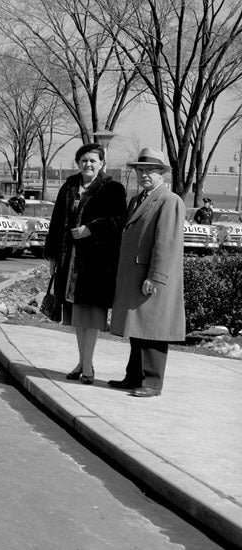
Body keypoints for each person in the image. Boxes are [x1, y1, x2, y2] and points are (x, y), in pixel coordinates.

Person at [44, 143, 126, 385]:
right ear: (77, 162)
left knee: (90, 317)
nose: (88, 164)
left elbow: (119, 221)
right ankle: (82, 362)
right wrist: (53, 257)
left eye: (93, 160)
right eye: (84, 160)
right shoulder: (69, 185)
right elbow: (56, 222)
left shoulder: (112, 188)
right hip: (70, 263)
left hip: (96, 266)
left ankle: (88, 365)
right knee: (78, 319)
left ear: (102, 163)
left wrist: (92, 229)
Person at [109, 148, 185, 398]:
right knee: (137, 328)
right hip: (135, 275)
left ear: (162, 173)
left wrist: (156, 276)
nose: (144, 174)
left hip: (151, 277)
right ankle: (134, 376)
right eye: (140, 170)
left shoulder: (169, 200)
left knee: (152, 330)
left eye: (150, 170)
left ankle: (152, 382)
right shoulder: (138, 199)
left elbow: (167, 244)